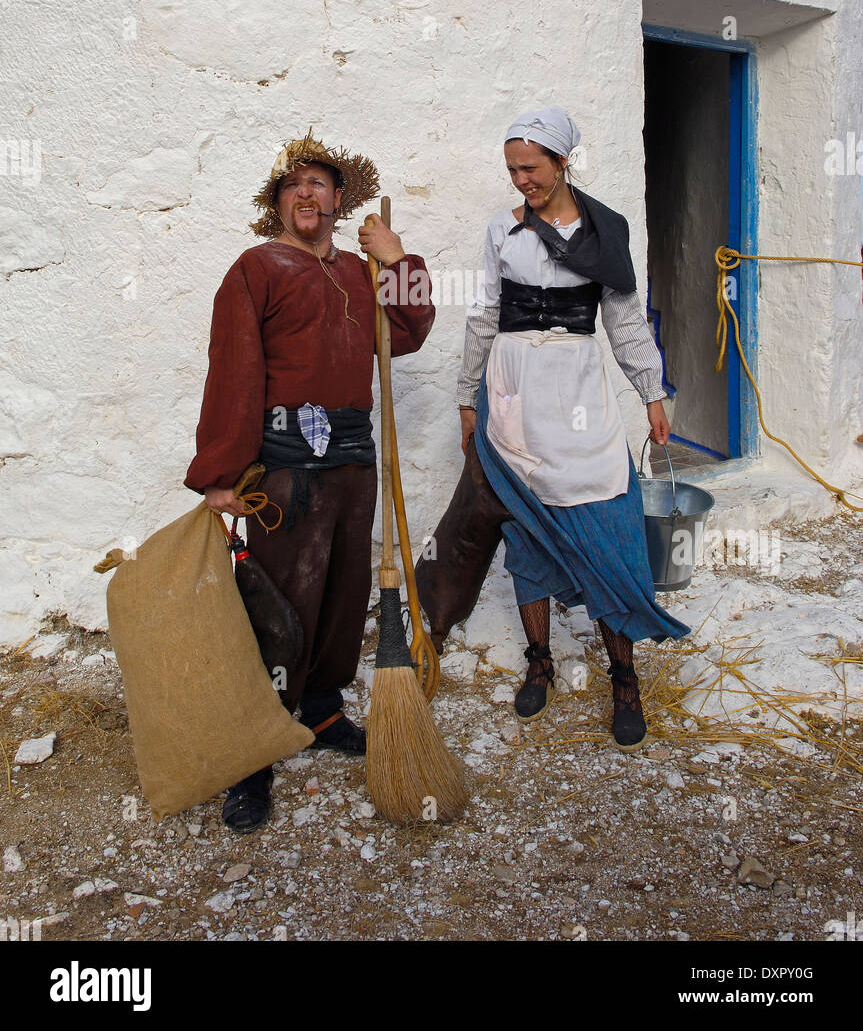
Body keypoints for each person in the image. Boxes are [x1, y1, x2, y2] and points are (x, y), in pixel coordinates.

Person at [185, 130, 434, 830]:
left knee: (340, 597)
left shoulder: (361, 272)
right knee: (277, 610)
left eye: (319, 184)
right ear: (277, 201)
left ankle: (322, 712)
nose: (306, 194)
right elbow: (234, 369)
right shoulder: (255, 268)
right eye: (292, 185)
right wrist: (223, 473)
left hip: (353, 466)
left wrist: (399, 261)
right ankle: (253, 751)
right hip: (287, 469)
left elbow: (408, 332)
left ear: (338, 200)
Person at [452, 107, 689, 749]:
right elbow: (485, 314)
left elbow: (626, 319)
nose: (520, 180)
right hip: (515, 392)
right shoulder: (504, 231)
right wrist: (466, 396)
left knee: (607, 520)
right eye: (511, 170)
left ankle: (624, 677)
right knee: (528, 527)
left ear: (562, 163)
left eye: (530, 168)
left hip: (578, 388)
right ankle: (539, 661)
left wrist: (651, 392)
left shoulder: (605, 231)